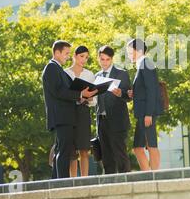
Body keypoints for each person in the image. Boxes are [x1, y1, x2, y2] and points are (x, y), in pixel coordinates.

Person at [42, 40, 97, 179]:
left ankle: (56, 182)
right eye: (66, 53)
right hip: (62, 117)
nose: (68, 56)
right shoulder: (51, 68)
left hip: (65, 117)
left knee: (61, 150)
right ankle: (62, 183)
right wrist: (80, 94)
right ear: (57, 52)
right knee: (64, 152)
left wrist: (82, 96)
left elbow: (67, 90)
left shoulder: (58, 69)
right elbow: (60, 91)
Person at [126, 39, 164, 171]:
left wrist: (148, 114)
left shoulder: (146, 63)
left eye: (131, 52)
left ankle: (153, 176)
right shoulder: (142, 64)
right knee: (139, 147)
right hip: (143, 113)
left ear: (139, 51)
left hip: (147, 113)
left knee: (150, 145)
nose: (129, 55)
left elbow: (152, 90)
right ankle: (149, 175)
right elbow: (145, 89)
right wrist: (134, 93)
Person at [95, 45, 132, 174]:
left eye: (107, 59)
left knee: (120, 154)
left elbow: (129, 96)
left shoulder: (122, 73)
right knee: (106, 157)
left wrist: (120, 93)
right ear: (98, 59)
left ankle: (126, 183)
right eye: (102, 59)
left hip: (117, 121)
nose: (104, 62)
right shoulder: (96, 76)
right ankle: (110, 185)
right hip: (101, 121)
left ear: (112, 59)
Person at [65, 46, 97, 177]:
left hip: (83, 112)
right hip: (69, 112)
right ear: (74, 56)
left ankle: (84, 180)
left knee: (84, 149)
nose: (84, 59)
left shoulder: (89, 75)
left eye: (86, 57)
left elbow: (94, 99)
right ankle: (72, 181)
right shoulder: (65, 73)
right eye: (81, 56)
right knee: (71, 152)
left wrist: (88, 98)